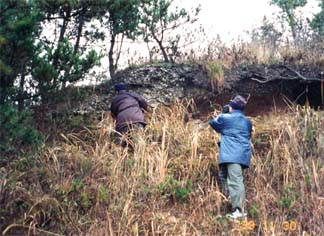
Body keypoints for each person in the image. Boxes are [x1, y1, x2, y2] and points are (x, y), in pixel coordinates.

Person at [209, 95, 252, 219]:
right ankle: (231, 205)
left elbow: (213, 123)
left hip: (231, 155)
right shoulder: (247, 122)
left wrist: (223, 113)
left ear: (231, 107)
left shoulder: (226, 118)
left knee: (235, 181)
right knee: (227, 178)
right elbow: (247, 135)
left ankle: (240, 210)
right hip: (242, 155)